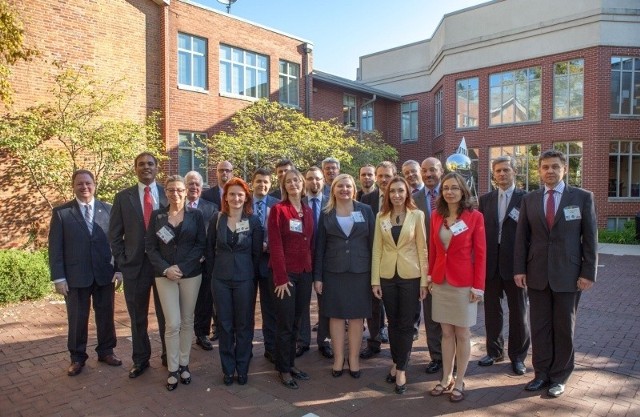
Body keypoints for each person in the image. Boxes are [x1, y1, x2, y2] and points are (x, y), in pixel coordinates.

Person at [514, 149, 597, 398]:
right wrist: (519, 269)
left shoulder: (582, 197)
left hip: (568, 275)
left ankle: (559, 376)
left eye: (555, 167)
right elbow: (521, 239)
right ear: (539, 171)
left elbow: (590, 238)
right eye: (545, 167)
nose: (550, 171)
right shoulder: (529, 199)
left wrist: (588, 272)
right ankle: (541, 374)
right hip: (537, 273)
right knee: (539, 327)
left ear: (564, 169)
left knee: (563, 327)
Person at [49, 169, 123, 376]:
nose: (84, 187)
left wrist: (118, 270)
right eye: (80, 183)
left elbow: (116, 243)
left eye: (88, 183)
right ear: (73, 186)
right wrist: (59, 278)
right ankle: (77, 357)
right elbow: (55, 248)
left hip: (104, 274)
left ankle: (106, 351)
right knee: (77, 318)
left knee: (106, 315)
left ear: (95, 185)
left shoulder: (108, 210)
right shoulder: (62, 213)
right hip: (75, 277)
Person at [428, 172, 486, 403]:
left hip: (464, 284)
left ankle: (460, 380)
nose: (449, 192)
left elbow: (481, 255)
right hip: (441, 282)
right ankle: (446, 377)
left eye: (454, 188)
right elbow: (433, 249)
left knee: (462, 333)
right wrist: (430, 276)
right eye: (445, 188)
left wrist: (478, 287)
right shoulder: (435, 216)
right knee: (446, 333)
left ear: (463, 191)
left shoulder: (475, 217)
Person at [109, 152, 167, 378]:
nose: (146, 167)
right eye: (141, 164)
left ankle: (167, 355)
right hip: (135, 266)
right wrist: (122, 261)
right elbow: (114, 235)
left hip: (161, 266)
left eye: (150, 164)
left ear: (157, 168)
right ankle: (141, 359)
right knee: (138, 316)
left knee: (166, 315)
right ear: (135, 169)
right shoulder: (123, 197)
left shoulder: (167, 194)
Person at [145, 175, 206, 391]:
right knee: (172, 323)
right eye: (171, 190)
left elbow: (201, 245)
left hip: (190, 274)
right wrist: (165, 269)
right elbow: (150, 247)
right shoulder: (157, 215)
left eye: (179, 189)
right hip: (165, 275)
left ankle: (184, 363)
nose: (176, 193)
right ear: (166, 192)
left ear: (186, 191)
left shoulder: (196, 215)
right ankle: (172, 368)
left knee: (188, 320)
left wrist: (183, 268)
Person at [314, 174, 375, 379]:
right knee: (337, 316)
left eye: (348, 186)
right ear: (333, 190)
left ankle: (354, 359)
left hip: (361, 271)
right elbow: (320, 246)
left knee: (357, 317)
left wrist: (375, 276)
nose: (344, 189)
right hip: (334, 272)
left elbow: (373, 243)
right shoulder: (326, 213)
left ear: (353, 188)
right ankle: (339, 358)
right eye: (340, 186)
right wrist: (318, 277)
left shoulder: (365, 210)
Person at [371, 176, 428, 395]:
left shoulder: (417, 215)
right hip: (387, 276)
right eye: (392, 191)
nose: (396, 195)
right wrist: (375, 280)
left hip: (410, 276)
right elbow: (377, 249)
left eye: (400, 191)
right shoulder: (381, 216)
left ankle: (401, 368)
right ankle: (396, 362)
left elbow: (423, 249)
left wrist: (424, 280)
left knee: (406, 324)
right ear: (387, 194)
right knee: (392, 323)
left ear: (407, 193)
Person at [206, 178, 263, 386]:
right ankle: (228, 369)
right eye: (232, 194)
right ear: (226, 197)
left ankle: (242, 367)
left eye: (240, 194)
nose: (236, 198)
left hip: (244, 280)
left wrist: (250, 276)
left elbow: (256, 254)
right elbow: (209, 250)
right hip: (220, 279)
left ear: (246, 197)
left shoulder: (253, 221)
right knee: (225, 325)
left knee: (244, 324)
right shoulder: (217, 219)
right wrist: (213, 275)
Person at [477, 156, 530, 375]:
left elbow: (530, 236)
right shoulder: (485, 199)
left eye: (506, 170)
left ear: (514, 172)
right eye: (497, 171)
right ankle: (494, 351)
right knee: (491, 311)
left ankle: (517, 357)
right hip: (490, 265)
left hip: (516, 267)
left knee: (518, 312)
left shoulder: (526, 199)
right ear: (493, 174)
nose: (501, 174)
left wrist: (525, 267)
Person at [268, 169, 314, 390]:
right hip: (285, 276)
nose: (293, 183)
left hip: (305, 273)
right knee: (285, 323)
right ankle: (283, 369)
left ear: (302, 183)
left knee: (297, 321)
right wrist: (281, 278)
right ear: (283, 185)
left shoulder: (307, 210)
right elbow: (275, 245)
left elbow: (309, 242)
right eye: (289, 181)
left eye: (296, 180)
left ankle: (291, 363)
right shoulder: (278, 210)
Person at [360, 161, 396, 359]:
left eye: (387, 176)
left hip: (394, 260)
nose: (383, 180)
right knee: (373, 303)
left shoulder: (401, 198)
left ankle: (397, 347)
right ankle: (373, 342)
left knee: (394, 305)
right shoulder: (366, 199)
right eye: (380, 176)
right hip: (371, 258)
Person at [298, 166, 332, 359]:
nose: (315, 182)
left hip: (326, 260)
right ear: (305, 181)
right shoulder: (299, 204)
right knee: (302, 302)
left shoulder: (331, 203)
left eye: (318, 179)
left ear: (323, 180)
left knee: (324, 302)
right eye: (310, 179)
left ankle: (324, 340)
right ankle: (303, 341)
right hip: (303, 259)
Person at [184, 171, 219, 351]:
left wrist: (205, 254)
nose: (194, 187)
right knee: (184, 301)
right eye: (190, 184)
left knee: (205, 300)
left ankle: (202, 333)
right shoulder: (176, 207)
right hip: (183, 263)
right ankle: (182, 334)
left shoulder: (211, 208)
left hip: (205, 262)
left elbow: (213, 237)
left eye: (197, 184)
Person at [417, 157, 445, 374]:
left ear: (441, 170)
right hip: (424, 265)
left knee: (450, 315)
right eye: (424, 170)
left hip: (450, 265)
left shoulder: (453, 194)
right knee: (431, 314)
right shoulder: (413, 198)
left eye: (432, 170)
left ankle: (451, 355)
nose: (428, 174)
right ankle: (436, 356)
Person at [251, 168, 280, 363]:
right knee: (246, 307)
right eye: (259, 181)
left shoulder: (277, 205)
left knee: (270, 308)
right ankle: (245, 347)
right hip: (248, 262)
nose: (262, 185)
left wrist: (269, 245)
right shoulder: (243, 203)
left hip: (269, 261)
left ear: (271, 185)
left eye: (266, 182)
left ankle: (270, 347)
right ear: (252, 183)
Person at [402, 159, 426, 342]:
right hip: (413, 251)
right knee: (416, 292)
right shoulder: (405, 197)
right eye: (406, 173)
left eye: (413, 171)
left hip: (437, 250)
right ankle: (414, 325)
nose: (410, 175)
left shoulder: (438, 193)